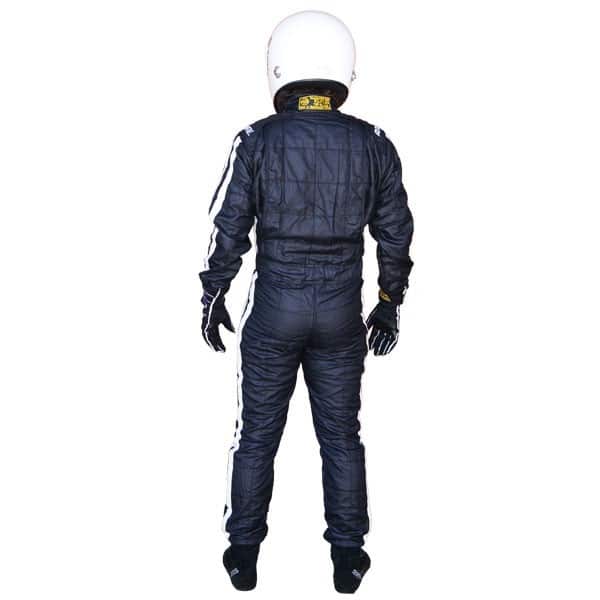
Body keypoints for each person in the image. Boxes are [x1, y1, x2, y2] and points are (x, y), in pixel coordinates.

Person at [199, 10, 414, 593]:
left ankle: (243, 553)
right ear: (342, 68)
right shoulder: (373, 144)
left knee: (257, 436)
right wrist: (388, 301)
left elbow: (228, 226)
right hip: (342, 316)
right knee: (341, 437)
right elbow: (396, 233)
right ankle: (349, 556)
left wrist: (214, 291)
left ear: (280, 67)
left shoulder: (256, 140)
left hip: (273, 311)